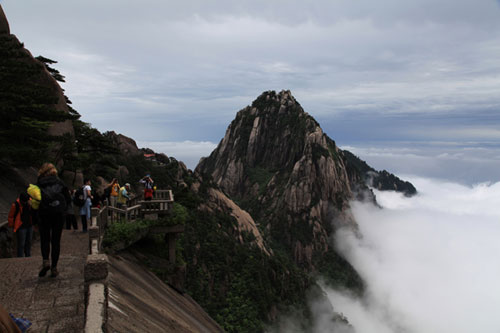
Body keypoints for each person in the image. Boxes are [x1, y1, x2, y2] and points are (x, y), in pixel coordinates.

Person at [36, 162, 70, 278]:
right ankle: (54, 268)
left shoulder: (39, 183)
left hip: (44, 214)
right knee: (56, 241)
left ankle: (46, 260)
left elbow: (35, 200)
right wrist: (64, 211)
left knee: (45, 239)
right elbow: (68, 198)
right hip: (58, 215)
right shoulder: (59, 182)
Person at [7, 192, 33, 257]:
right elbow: (11, 216)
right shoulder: (16, 205)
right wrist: (11, 226)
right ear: (21, 200)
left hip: (29, 225)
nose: (25, 203)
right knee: (21, 244)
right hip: (21, 227)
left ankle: (28, 256)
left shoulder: (30, 202)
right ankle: (20, 257)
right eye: (24, 201)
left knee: (29, 242)